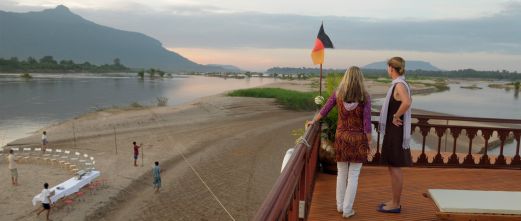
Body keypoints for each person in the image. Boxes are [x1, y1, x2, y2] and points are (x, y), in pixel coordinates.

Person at [307, 66, 372, 219]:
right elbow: (367, 123)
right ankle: (348, 210)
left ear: (346, 78)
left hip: (341, 138)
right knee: (354, 175)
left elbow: (324, 110)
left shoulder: (338, 94)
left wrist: (313, 121)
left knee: (341, 173)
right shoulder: (365, 97)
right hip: (358, 140)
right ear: (360, 79)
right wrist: (370, 143)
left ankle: (340, 205)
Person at [377, 57, 413, 214]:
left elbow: (407, 102)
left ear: (392, 68)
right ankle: (393, 200)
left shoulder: (399, 85)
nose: (387, 70)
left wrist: (396, 116)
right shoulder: (399, 84)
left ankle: (396, 204)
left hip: (396, 132)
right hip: (394, 132)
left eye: (387, 67)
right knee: (392, 167)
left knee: (395, 167)